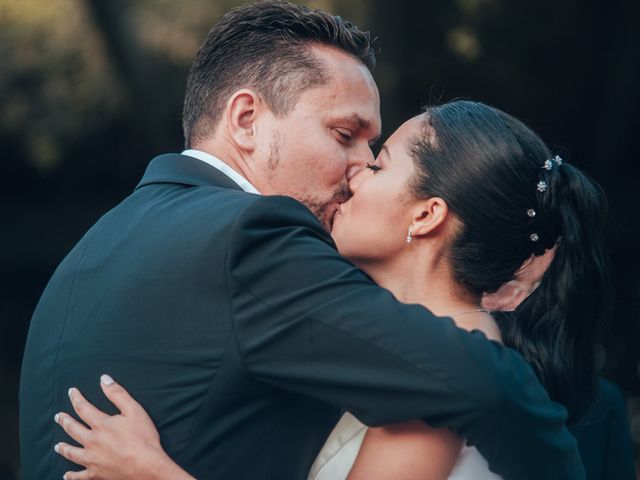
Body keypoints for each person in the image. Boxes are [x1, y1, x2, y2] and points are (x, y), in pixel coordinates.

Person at [20, 2, 583, 479]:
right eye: (345, 135)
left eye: (376, 151)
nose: (360, 166)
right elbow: (477, 384)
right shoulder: (251, 235)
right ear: (246, 120)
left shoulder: (94, 249)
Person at [53, 102, 635, 479]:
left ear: (428, 214)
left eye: (379, 165)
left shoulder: (442, 358)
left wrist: (151, 471)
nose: (354, 172)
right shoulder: (404, 344)